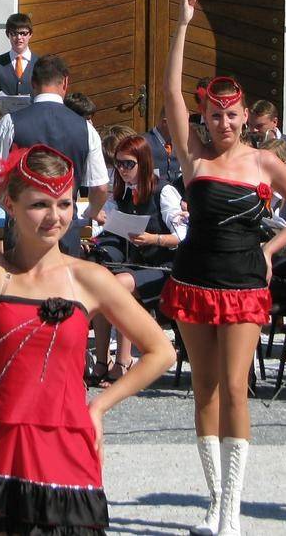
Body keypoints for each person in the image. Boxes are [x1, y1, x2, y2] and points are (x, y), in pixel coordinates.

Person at [0, 14, 176, 535]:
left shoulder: (88, 279)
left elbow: (160, 352)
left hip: (67, 449)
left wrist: (99, 407)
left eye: (63, 204)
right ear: (10, 204)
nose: (54, 217)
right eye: (39, 204)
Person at [158, 0, 286, 536]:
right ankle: (214, 499)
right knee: (202, 389)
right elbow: (171, 93)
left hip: (245, 282)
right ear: (204, 117)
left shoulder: (266, 163)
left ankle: (234, 511)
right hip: (194, 279)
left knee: (234, 387)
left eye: (231, 116)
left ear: (246, 115)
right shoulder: (195, 157)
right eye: (213, 115)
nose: (222, 124)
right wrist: (182, 26)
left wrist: (270, 249)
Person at [0, 54, 110, 256]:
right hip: (65, 230)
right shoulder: (86, 128)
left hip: (22, 229)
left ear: (32, 83)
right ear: (65, 82)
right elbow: (101, 187)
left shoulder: (9, 122)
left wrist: (13, 209)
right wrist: (92, 212)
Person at [89, 135, 186, 387]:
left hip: (164, 268)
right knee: (100, 283)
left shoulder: (163, 191)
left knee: (119, 284)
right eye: (119, 164)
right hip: (135, 265)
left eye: (128, 164)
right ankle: (102, 361)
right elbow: (106, 226)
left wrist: (154, 239)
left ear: (143, 163)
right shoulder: (122, 192)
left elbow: (182, 235)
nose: (122, 170)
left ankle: (124, 361)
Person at [144, 111, 183, 191]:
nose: (186, 127)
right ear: (165, 122)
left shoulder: (183, 142)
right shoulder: (144, 144)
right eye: (182, 122)